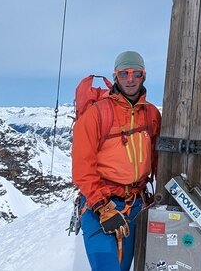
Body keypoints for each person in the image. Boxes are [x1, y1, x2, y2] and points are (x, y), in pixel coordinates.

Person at [72, 51, 161, 271]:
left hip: (136, 204)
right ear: (116, 76)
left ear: (144, 76)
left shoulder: (151, 114)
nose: (130, 79)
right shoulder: (96, 115)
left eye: (136, 73)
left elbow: (158, 158)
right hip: (99, 204)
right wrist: (102, 206)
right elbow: (82, 168)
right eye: (124, 73)